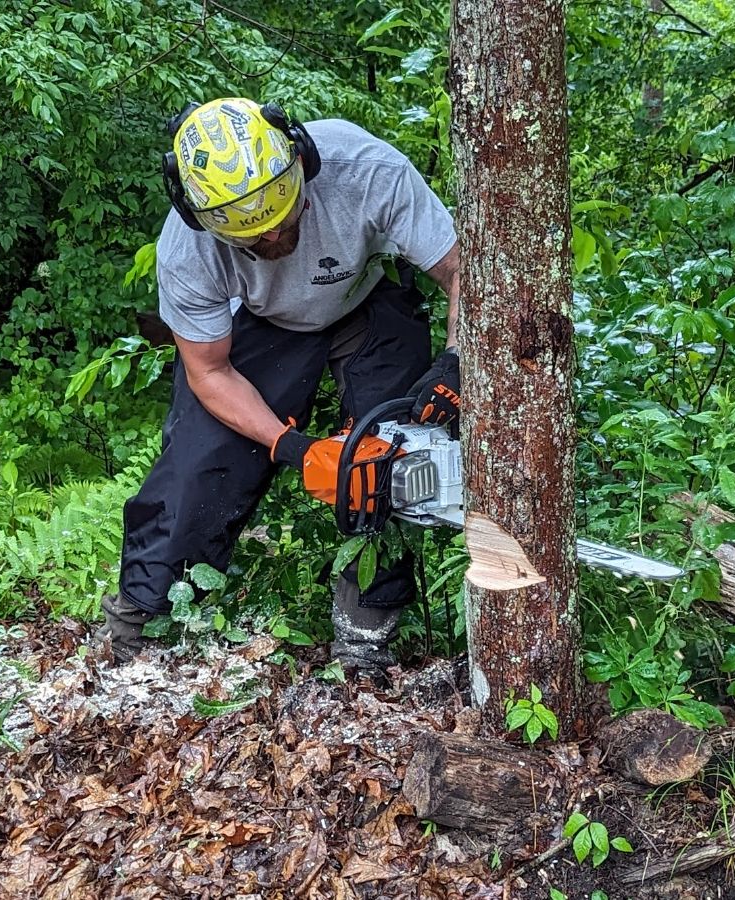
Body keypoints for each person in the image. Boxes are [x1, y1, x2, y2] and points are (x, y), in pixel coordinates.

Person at [96, 97, 461, 671]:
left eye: (283, 220)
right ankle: (141, 622)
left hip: (366, 302)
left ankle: (365, 636)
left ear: (303, 163)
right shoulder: (188, 250)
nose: (274, 240)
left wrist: (456, 364)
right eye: (254, 239)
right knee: (201, 462)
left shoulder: (365, 170)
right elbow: (209, 371)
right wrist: (294, 447)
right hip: (261, 320)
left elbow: (463, 270)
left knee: (388, 456)